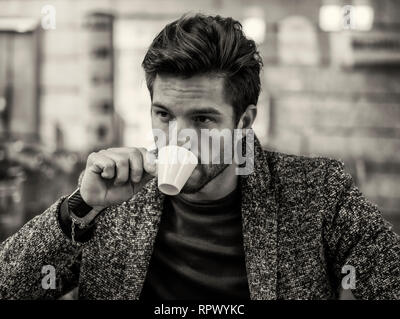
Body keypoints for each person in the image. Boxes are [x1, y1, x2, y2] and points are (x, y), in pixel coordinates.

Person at [1, 13, 399, 300]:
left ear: (244, 121)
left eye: (204, 119)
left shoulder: (317, 192)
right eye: (163, 115)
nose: (179, 137)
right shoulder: (113, 197)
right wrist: (81, 207)